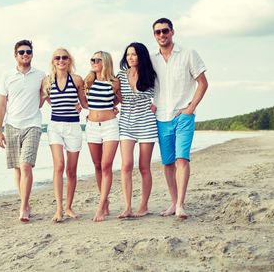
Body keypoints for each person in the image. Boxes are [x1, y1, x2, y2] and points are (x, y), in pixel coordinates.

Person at [150, 18, 208, 219]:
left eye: (165, 31)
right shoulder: (151, 59)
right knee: (167, 163)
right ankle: (173, 202)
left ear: (172, 32)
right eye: (157, 32)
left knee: (182, 158)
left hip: (183, 116)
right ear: (154, 35)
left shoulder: (188, 54)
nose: (161, 35)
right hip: (161, 117)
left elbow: (202, 83)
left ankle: (181, 204)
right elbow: (141, 83)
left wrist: (191, 107)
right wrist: (147, 103)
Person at [0, 39, 45, 222]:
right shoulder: (7, 76)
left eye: (28, 51)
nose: (25, 55)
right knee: (17, 168)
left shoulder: (41, 75)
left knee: (26, 165)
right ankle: (25, 201)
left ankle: (23, 206)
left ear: (32, 54)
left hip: (33, 124)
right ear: (15, 55)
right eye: (22, 52)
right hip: (11, 125)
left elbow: (48, 96)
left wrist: (76, 105)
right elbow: (1, 105)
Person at [41, 48, 87, 222]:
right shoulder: (47, 81)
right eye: (57, 58)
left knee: (71, 170)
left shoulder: (76, 80)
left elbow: (85, 103)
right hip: (55, 127)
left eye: (64, 57)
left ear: (69, 60)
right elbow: (42, 100)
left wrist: (110, 105)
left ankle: (68, 207)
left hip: (73, 127)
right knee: (59, 165)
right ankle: (59, 209)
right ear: (53, 61)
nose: (61, 60)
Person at [117, 42, 158, 219]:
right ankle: (127, 207)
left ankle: (143, 206)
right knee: (126, 165)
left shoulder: (151, 75)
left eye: (134, 54)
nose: (131, 58)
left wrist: (156, 104)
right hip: (126, 122)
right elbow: (115, 97)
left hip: (146, 122)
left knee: (144, 167)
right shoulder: (120, 75)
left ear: (141, 56)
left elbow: (161, 94)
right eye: (128, 55)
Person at [84, 51, 121, 222]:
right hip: (91, 128)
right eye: (92, 60)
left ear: (105, 62)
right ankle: (105, 200)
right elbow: (85, 102)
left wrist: (110, 108)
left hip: (110, 127)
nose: (93, 62)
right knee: (97, 166)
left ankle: (100, 207)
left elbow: (119, 99)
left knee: (106, 165)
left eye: (97, 60)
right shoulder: (88, 82)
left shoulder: (114, 82)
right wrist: (91, 113)